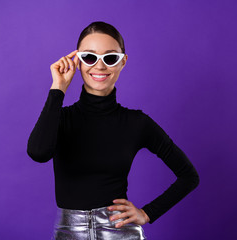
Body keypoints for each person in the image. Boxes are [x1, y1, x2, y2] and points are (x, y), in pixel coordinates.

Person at [27, 21, 199, 240]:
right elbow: (38, 153)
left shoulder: (137, 122)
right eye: (89, 57)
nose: (99, 66)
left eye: (110, 58)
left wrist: (148, 213)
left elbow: (189, 176)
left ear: (123, 62)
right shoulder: (61, 118)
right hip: (68, 232)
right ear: (77, 61)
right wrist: (58, 88)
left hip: (119, 233)